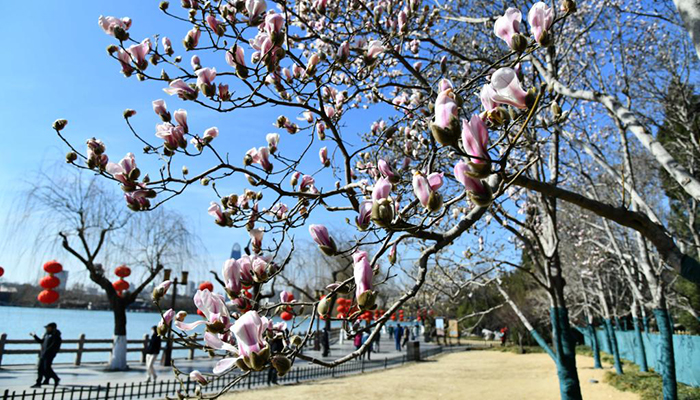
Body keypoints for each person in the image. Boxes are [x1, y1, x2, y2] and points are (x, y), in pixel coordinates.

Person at [30, 322, 62, 388]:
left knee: (47, 368)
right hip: (42, 354)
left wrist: (48, 352)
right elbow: (41, 341)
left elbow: (54, 346)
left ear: (52, 328)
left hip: (49, 355)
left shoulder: (56, 336)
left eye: (48, 327)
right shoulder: (46, 334)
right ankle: (38, 383)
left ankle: (56, 378)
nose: (46, 329)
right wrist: (34, 336)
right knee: (40, 368)